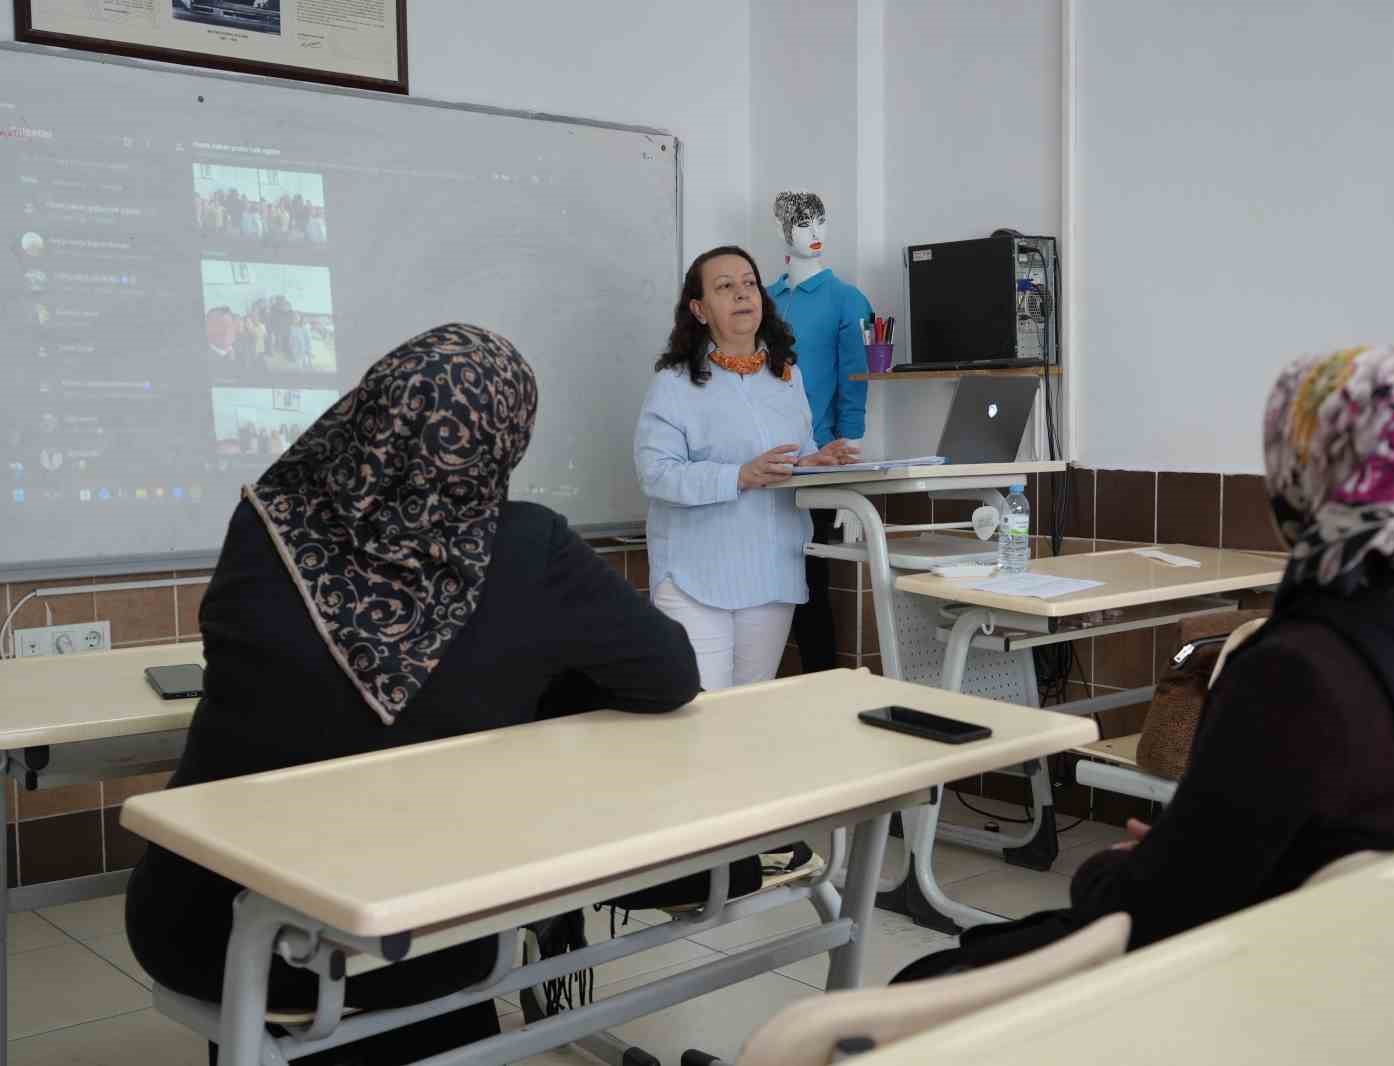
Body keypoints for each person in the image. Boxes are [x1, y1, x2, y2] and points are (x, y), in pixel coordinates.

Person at [895, 344, 1394, 976]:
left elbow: (1171, 905)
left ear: (1311, 471)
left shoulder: (1296, 667)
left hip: (1278, 967)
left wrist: (1114, 868)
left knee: (919, 984)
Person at [126, 323, 701, 1064]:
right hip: (425, 942)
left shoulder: (268, 520)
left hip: (206, 924)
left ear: (369, 407)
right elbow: (669, 675)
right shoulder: (529, 550)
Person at [635, 246, 856, 690]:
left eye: (749, 283)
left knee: (751, 716)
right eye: (725, 287)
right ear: (699, 309)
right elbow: (656, 473)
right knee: (706, 716)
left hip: (772, 571)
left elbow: (796, 454)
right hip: (696, 577)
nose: (742, 294)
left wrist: (815, 462)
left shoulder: (786, 377)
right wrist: (739, 475)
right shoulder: (674, 384)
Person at [768, 190, 873, 673]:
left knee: (811, 585)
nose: (815, 234)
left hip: (820, 463)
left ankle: (822, 686)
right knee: (765, 584)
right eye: (804, 224)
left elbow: (856, 379)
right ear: (783, 231)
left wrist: (849, 468)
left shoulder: (846, 299)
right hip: (761, 462)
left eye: (821, 222)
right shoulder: (765, 301)